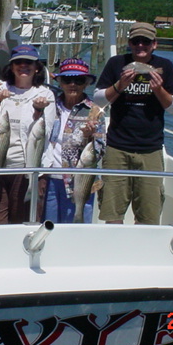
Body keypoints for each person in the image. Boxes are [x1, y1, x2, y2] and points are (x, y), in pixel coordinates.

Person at [94, 22, 173, 225]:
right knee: (112, 213)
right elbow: (98, 100)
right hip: (117, 147)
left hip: (150, 149)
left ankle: (142, 253)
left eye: (146, 41)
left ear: (154, 44)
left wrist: (159, 90)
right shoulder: (117, 64)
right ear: (129, 43)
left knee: (148, 215)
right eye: (136, 41)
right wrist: (120, 85)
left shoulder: (165, 66)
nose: (140, 45)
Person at [0, 45, 55, 224]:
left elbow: (45, 132)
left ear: (37, 67)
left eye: (28, 62)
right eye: (18, 62)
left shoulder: (45, 94)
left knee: (24, 222)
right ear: (11, 67)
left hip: (28, 170)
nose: (23, 66)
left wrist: (38, 111)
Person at [41, 58, 106, 223]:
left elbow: (100, 150)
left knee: (76, 231)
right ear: (60, 82)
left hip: (79, 183)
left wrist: (89, 136)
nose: (73, 84)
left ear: (86, 83)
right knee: (48, 228)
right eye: (67, 79)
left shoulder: (95, 111)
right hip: (48, 180)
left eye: (79, 80)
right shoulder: (48, 106)